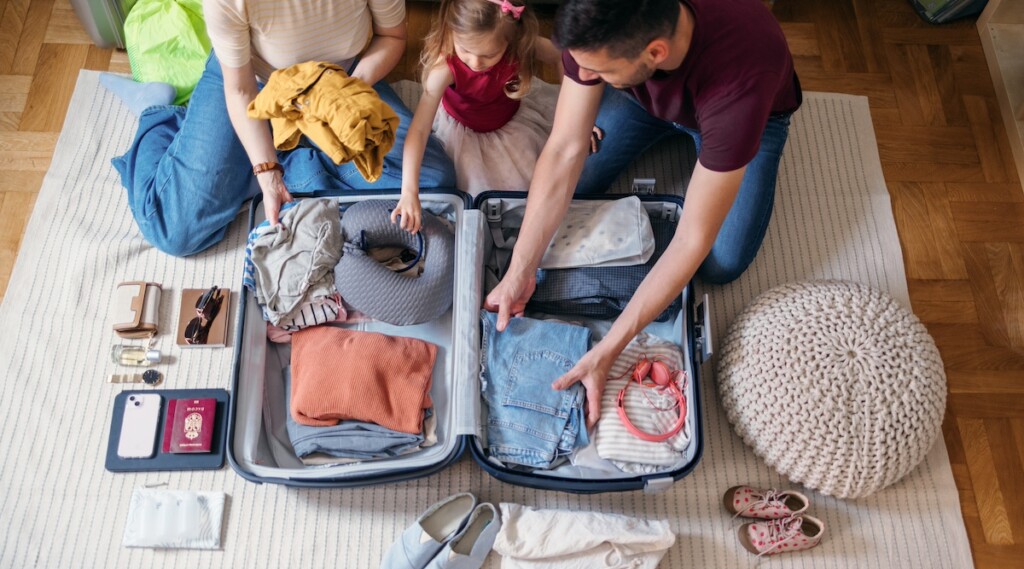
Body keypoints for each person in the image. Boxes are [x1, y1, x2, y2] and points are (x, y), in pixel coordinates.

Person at [484, 0, 801, 425]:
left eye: (599, 71)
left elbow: (691, 238)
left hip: (750, 122)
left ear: (655, 53)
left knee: (721, 262)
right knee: (575, 186)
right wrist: (520, 269)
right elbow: (563, 150)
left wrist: (610, 349)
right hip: (644, 99)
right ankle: (652, 109)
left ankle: (717, 144)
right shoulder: (599, 28)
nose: (586, 78)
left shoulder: (739, 85)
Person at [103, 0, 456, 257]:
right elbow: (239, 88)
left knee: (433, 183)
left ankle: (285, 155)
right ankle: (156, 112)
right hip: (254, 83)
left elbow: (392, 37)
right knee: (174, 226)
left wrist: (342, 93)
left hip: (340, 76)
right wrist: (267, 171)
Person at [389, 0, 599, 232]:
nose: (476, 62)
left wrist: (573, 109)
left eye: (489, 55)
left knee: (540, 188)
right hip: (464, 131)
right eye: (466, 50)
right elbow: (418, 131)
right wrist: (409, 191)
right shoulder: (444, 70)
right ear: (452, 33)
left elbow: (562, 57)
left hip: (512, 120)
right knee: (477, 201)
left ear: (510, 41)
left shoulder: (520, 44)